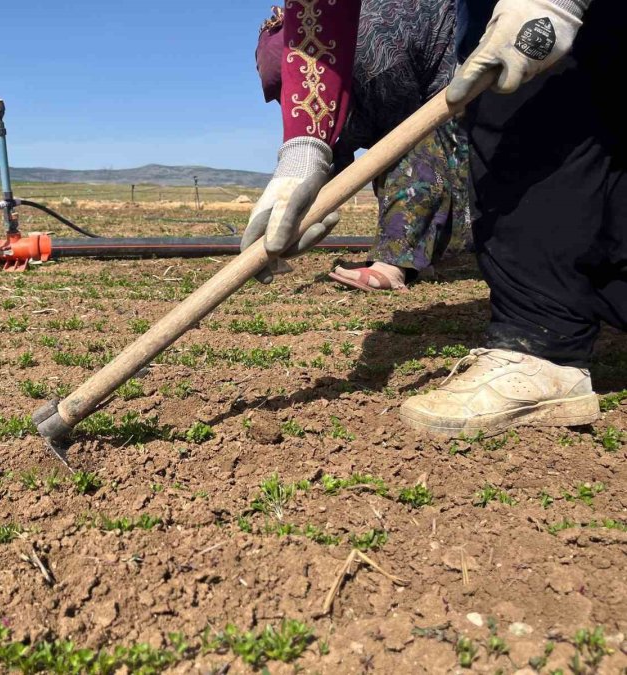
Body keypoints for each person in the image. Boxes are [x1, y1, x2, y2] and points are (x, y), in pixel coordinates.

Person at [244, 0, 624, 436]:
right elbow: (318, 20)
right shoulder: (336, 55)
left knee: (521, 101)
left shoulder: (394, 43)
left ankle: (541, 345)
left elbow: (423, 136)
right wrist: (305, 153)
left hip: (480, 42)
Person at [255, 2, 472, 292]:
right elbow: (332, 159)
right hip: (387, 64)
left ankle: (396, 264)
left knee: (413, 151)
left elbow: (404, 141)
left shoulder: (373, 54)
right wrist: (287, 220)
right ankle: (417, 254)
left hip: (452, 59)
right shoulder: (313, 69)